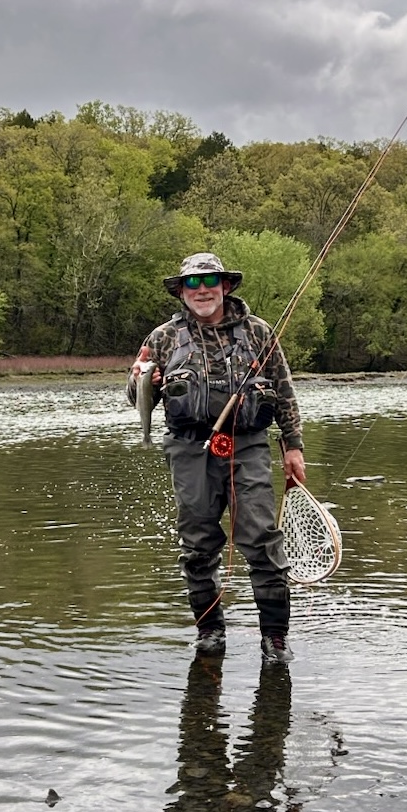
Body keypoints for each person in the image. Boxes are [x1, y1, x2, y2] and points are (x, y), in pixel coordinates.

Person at [127, 252, 305, 664]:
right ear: (181, 291)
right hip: (188, 448)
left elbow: (283, 389)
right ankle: (209, 630)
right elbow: (133, 396)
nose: (202, 290)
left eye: (210, 281)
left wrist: (293, 445)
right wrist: (141, 381)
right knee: (198, 543)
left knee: (261, 538)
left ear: (225, 286)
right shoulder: (162, 338)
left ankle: (275, 638)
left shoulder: (259, 331)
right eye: (192, 283)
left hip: (248, 446)